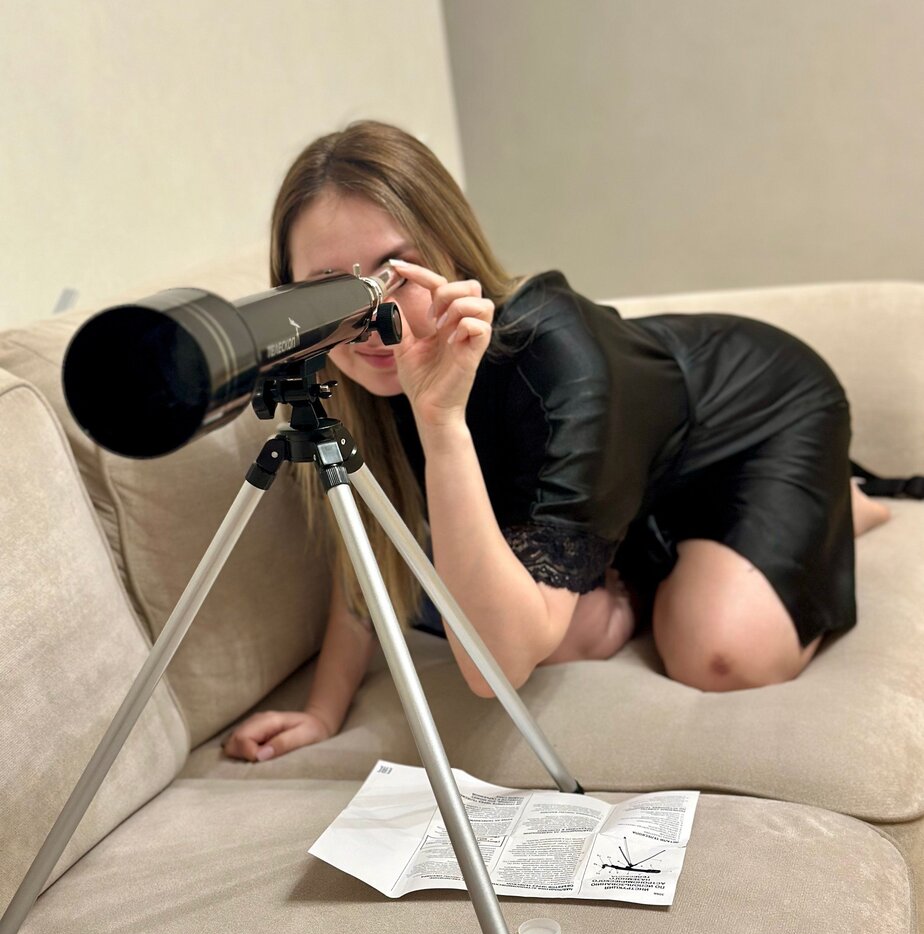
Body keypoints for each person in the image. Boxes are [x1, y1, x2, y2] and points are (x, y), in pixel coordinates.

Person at [223, 119, 891, 764]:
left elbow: (490, 671)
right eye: (330, 292)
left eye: (395, 272)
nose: (372, 319)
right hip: (628, 466)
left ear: (453, 255)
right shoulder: (343, 375)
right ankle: (640, 549)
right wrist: (323, 710)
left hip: (756, 414)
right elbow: (372, 541)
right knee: (558, 632)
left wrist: (442, 422)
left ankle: (840, 502)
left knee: (718, 657)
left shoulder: (555, 362)